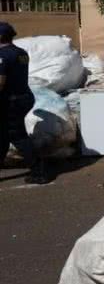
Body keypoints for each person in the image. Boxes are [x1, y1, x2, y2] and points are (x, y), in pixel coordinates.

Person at [0, 22, 48, 184]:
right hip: (24, 97)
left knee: (17, 135)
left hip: (10, 102)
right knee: (3, 135)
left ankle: (38, 170)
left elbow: (1, 82)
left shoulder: (2, 56)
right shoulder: (22, 53)